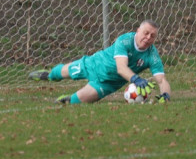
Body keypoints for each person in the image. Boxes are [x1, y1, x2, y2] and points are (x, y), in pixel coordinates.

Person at [27, 20, 171, 104]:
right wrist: (136, 79)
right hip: (94, 64)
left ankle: (65, 101)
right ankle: (49, 76)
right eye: (146, 33)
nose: (148, 38)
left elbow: (161, 79)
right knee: (62, 72)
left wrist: (165, 95)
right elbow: (121, 68)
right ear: (138, 30)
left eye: (152, 36)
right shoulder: (125, 40)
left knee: (79, 100)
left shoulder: (152, 55)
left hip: (108, 84)